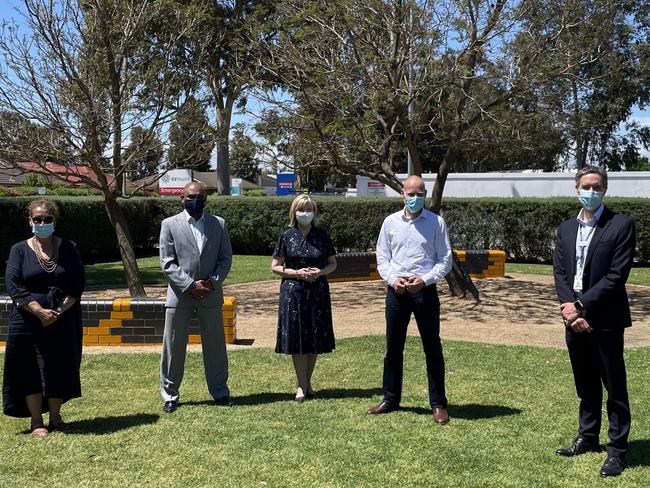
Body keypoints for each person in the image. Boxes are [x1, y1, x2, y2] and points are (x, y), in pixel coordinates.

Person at [553, 166, 636, 477]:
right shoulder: (564, 229)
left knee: (613, 386)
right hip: (572, 318)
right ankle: (588, 437)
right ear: (577, 189)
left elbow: (616, 276)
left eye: (597, 186)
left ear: (605, 189)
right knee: (586, 383)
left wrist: (580, 306)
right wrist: (570, 311)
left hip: (605, 318)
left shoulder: (621, 225)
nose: (591, 191)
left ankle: (616, 450)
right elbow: (560, 273)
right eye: (586, 185)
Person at [368, 175, 452, 424]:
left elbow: (445, 259)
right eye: (410, 193)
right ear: (402, 194)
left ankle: (438, 404)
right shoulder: (390, 223)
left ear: (424, 194)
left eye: (420, 193)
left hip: (424, 291)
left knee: (432, 348)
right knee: (393, 347)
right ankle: (390, 398)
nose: (415, 198)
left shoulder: (436, 223)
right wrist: (394, 280)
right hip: (397, 291)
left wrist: (424, 280)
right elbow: (383, 257)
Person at [3, 199, 85, 436]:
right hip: (27, 318)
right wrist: (37, 310)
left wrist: (58, 311)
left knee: (58, 365)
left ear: (54, 221)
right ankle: (37, 420)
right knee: (28, 367)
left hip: (62, 316)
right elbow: (13, 284)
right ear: (30, 221)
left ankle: (56, 417)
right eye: (37, 219)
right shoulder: (18, 249)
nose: (42, 223)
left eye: (47, 219)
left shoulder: (68, 247)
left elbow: (77, 282)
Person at [159, 181, 233, 413]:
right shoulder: (169, 224)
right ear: (182, 198)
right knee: (173, 347)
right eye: (190, 196)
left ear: (206, 199)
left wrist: (211, 283)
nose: (195, 200)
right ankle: (170, 395)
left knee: (215, 347)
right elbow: (167, 262)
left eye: (200, 196)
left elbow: (225, 259)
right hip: (179, 296)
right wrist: (191, 285)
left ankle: (220, 391)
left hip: (210, 294)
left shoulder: (218, 224)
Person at [271, 195, 337, 402]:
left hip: (318, 292)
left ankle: (308, 383)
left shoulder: (322, 236)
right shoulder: (287, 236)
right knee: (298, 337)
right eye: (302, 209)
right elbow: (275, 266)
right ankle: (300, 385)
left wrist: (320, 272)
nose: (305, 213)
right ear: (294, 212)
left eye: (309, 209)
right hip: (294, 294)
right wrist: (297, 273)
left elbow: (333, 263)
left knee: (314, 338)